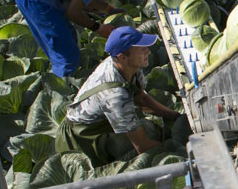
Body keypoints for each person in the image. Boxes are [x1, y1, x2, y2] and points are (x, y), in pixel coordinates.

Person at [55, 26, 182, 166]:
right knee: (146, 134)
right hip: (81, 139)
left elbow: (141, 99)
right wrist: (177, 150)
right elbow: (142, 146)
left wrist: (176, 116)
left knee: (146, 128)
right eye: (141, 49)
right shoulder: (115, 96)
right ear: (122, 57)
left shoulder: (128, 66)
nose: (148, 51)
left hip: (102, 123)